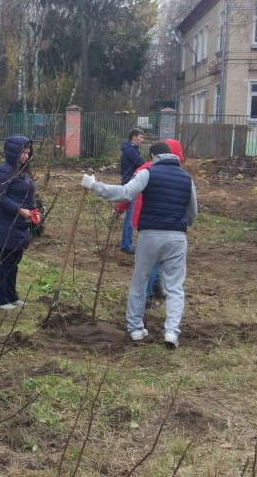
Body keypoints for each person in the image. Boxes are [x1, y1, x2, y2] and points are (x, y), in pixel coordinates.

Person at [81, 140, 197, 348]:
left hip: (149, 236)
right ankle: (171, 332)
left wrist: (94, 185)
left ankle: (135, 328)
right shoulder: (187, 179)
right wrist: (178, 226)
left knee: (140, 281)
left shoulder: (148, 173)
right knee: (175, 287)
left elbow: (124, 193)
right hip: (177, 237)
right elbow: (192, 213)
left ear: (153, 156)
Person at [131, 139, 186, 307]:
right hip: (160, 225)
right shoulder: (180, 175)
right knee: (154, 263)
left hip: (146, 222)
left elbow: (127, 192)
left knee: (151, 263)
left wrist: (119, 210)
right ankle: (147, 296)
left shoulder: (144, 169)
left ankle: (154, 288)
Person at [0, 135, 39, 310]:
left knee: (14, 262)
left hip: (20, 224)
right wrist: (20, 210)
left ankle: (12, 295)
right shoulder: (3, 170)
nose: (25, 156)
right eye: (22, 152)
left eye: (27, 152)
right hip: (5, 224)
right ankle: (0, 299)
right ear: (13, 152)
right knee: (3, 262)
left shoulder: (23, 171)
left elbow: (27, 196)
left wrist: (33, 211)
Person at [118, 128, 146, 254]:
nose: (142, 140)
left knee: (129, 212)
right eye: (141, 137)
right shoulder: (131, 151)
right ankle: (126, 244)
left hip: (128, 183)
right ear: (134, 137)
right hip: (132, 184)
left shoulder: (130, 149)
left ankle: (126, 242)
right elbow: (142, 165)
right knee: (131, 215)